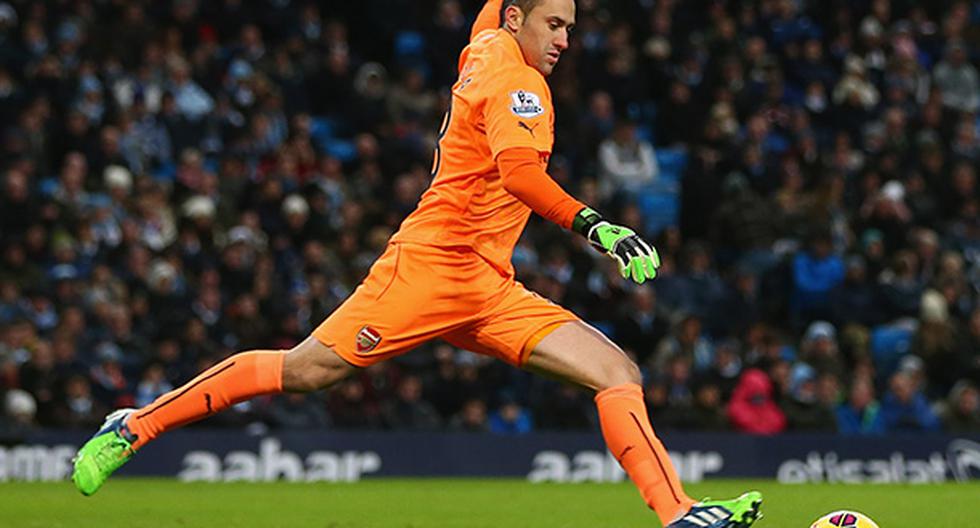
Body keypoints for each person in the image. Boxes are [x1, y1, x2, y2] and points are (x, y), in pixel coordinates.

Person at [71, 2, 761, 526]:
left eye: (572, 28)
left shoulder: (486, 43)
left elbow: (498, 10)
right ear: (520, 20)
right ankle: (134, 425)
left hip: (489, 285)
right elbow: (521, 176)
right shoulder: (520, 88)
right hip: (428, 269)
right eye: (554, 24)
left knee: (617, 371)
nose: (565, 41)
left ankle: (678, 513)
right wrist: (600, 226)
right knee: (306, 370)